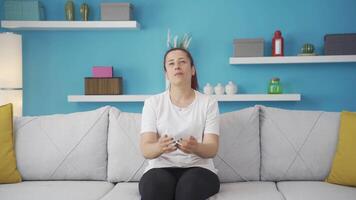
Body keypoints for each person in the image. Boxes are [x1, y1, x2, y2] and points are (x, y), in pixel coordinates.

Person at [139, 47, 220, 200]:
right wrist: (159, 146)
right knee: (154, 188)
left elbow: (212, 148)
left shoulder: (209, 103)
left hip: (199, 169)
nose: (176, 66)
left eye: (182, 62)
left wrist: (196, 147)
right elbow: (146, 149)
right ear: (166, 74)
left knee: (189, 189)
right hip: (160, 168)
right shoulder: (152, 103)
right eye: (171, 63)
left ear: (193, 70)